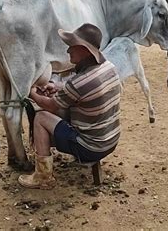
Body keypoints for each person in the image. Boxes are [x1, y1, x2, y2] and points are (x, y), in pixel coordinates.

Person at [18, 23, 121, 189]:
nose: (68, 51)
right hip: (110, 140)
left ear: (84, 50)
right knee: (63, 108)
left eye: (72, 46)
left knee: (41, 117)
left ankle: (43, 177)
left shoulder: (78, 83)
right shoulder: (109, 67)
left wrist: (31, 93)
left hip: (90, 148)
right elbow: (78, 89)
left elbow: (51, 106)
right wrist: (58, 87)